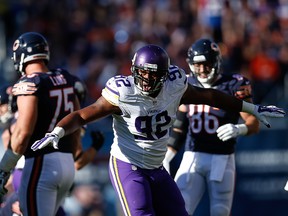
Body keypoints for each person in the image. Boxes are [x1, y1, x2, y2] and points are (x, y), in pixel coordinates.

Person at [16, 44, 284, 216]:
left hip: (155, 167)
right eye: (143, 73)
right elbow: (83, 114)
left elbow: (210, 97)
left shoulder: (175, 85)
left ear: (165, 75)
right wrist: (58, 132)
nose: (148, 79)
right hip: (128, 165)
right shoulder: (123, 92)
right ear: (135, 71)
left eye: (155, 75)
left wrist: (251, 109)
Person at [0, 31, 103, 216]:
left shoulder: (30, 83)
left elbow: (22, 134)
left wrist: (3, 169)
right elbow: (75, 128)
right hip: (66, 164)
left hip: (41, 164)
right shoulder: (67, 78)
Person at [163, 38, 260, 216]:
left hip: (222, 159)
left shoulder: (235, 84)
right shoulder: (187, 83)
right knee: (178, 209)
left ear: (216, 62)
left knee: (220, 212)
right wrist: (167, 155)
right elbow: (180, 125)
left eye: (206, 64)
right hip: (193, 155)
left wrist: (240, 129)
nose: (201, 70)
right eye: (197, 65)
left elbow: (254, 123)